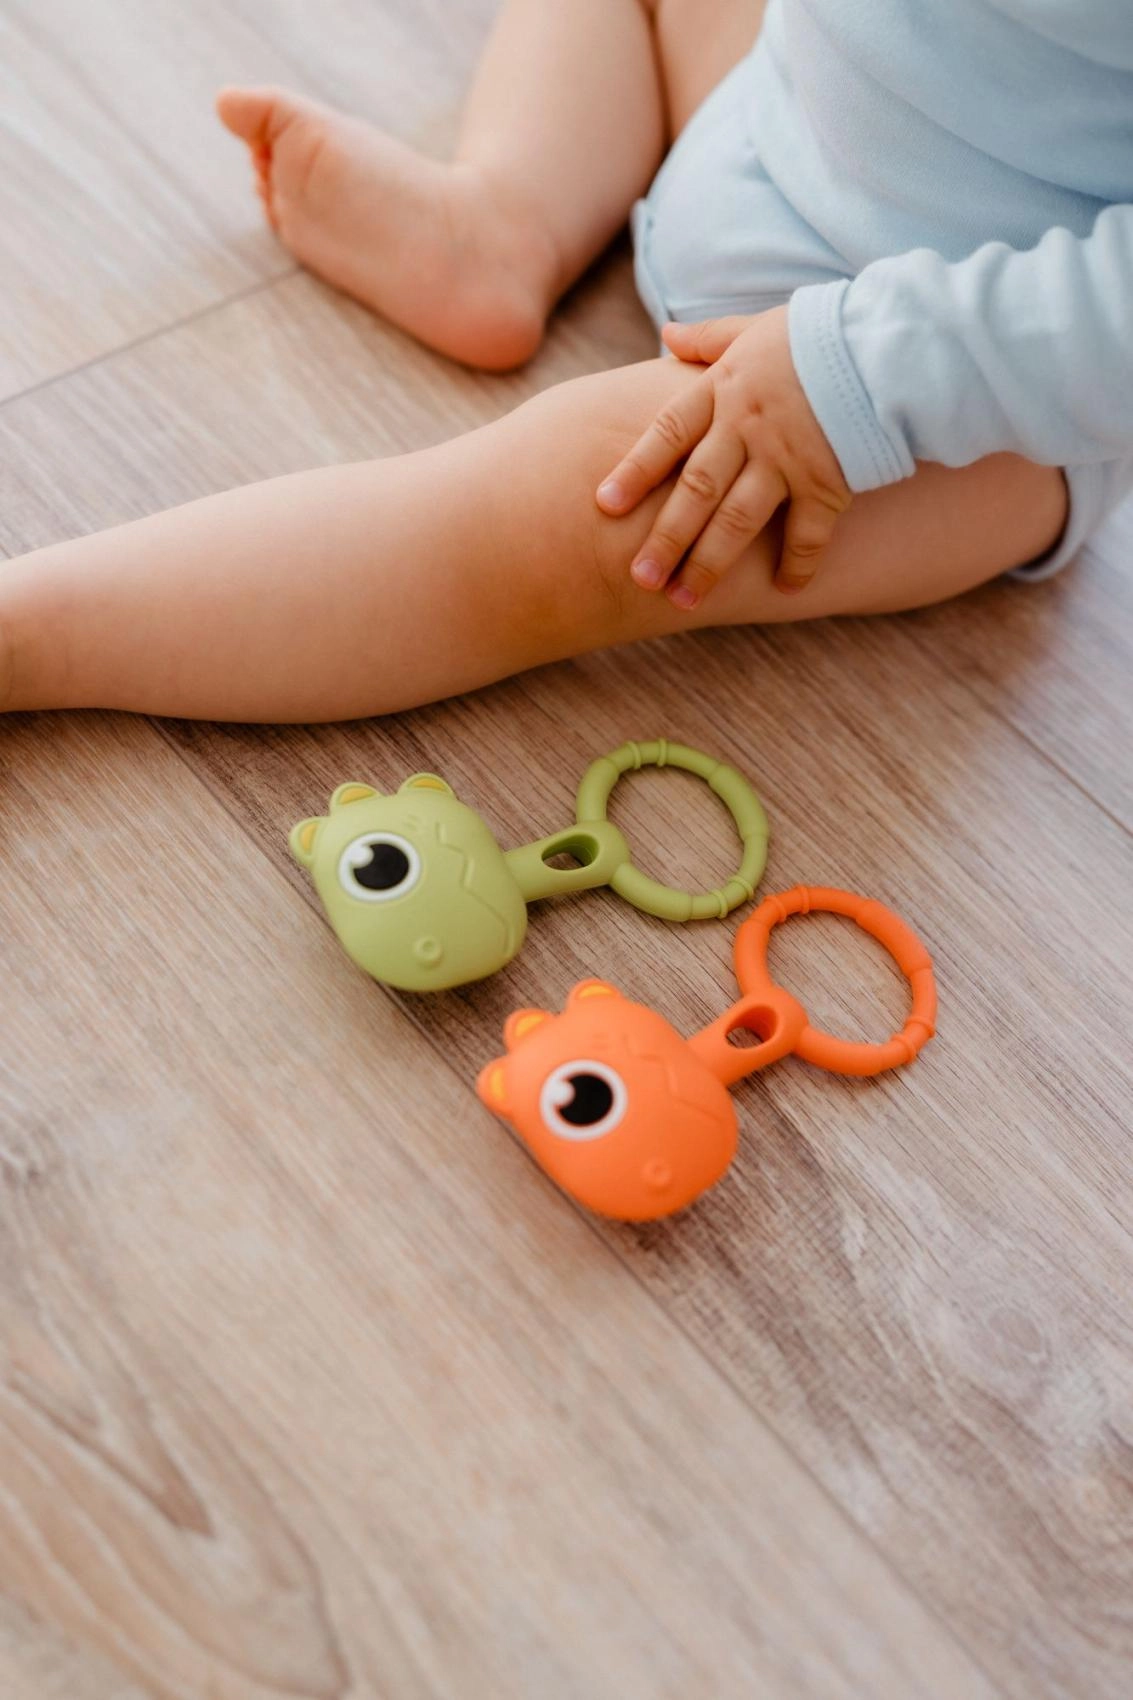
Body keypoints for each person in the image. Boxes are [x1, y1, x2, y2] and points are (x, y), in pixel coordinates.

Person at [2, 0, 1128, 722]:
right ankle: (507, 214)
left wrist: (869, 374)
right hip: (782, 104)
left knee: (582, 520)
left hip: (966, 397)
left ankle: (38, 633)